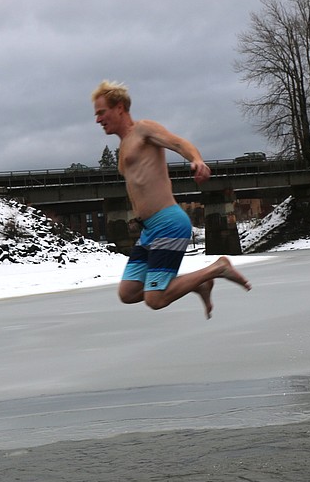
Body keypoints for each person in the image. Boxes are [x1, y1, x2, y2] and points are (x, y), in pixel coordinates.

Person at [91, 80, 250, 317]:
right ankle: (200, 283)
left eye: (101, 112)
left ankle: (218, 268)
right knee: (129, 292)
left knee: (155, 299)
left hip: (168, 223)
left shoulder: (143, 130)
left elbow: (177, 142)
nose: (98, 119)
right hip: (149, 230)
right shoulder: (124, 145)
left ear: (120, 108)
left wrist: (196, 159)